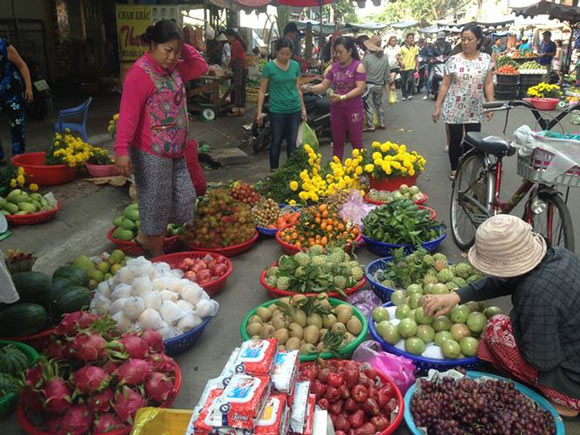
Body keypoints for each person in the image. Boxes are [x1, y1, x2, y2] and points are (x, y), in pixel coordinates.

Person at [422, 214, 580, 418]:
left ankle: (566, 400)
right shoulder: (559, 255)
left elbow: (542, 360)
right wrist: (457, 295)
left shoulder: (535, 294)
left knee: (496, 328)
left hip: (572, 378)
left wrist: (518, 324)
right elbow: (506, 281)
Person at [114, 20, 208, 258]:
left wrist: (182, 44)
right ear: (152, 45)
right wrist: (121, 151)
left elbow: (200, 67)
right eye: (167, 50)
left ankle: (154, 241)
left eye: (176, 52)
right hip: (150, 152)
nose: (172, 57)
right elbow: (127, 116)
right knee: (156, 207)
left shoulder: (174, 68)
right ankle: (157, 259)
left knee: (186, 197)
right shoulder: (139, 75)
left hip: (176, 150)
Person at [432, 24, 494, 180]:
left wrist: (491, 104)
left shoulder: (486, 60)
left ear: (478, 40)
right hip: (454, 107)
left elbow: (488, 83)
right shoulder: (453, 60)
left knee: (472, 140)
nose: (466, 43)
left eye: (470, 39)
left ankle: (464, 160)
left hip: (475, 107)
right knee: (455, 139)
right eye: (463, 39)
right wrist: (437, 107)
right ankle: (454, 168)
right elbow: (445, 85)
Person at [301, 36, 366, 160]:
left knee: (356, 141)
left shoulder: (358, 66)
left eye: (341, 52)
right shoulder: (334, 67)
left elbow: (360, 89)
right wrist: (309, 88)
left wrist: (342, 97)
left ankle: (361, 171)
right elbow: (324, 86)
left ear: (350, 51)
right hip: (336, 109)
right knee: (337, 141)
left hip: (353, 109)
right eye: (336, 52)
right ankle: (337, 172)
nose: (337, 55)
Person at [256, 38, 306, 170]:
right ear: (276, 51)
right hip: (277, 110)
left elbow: (298, 88)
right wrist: (259, 112)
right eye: (282, 53)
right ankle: (274, 171)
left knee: (292, 142)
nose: (284, 57)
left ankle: (290, 173)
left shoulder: (295, 66)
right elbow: (262, 91)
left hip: (294, 108)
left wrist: (303, 109)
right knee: (276, 141)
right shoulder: (269, 68)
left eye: (288, 54)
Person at [0, 38, 33, 164]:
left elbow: (22, 65)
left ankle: (18, 158)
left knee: (17, 125)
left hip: (11, 92)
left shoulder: (5, 47)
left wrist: (28, 87)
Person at [363, 35, 390, 131]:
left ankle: (371, 124)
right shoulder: (385, 58)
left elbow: (362, 72)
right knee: (379, 104)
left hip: (368, 85)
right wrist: (388, 92)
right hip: (379, 86)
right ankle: (381, 122)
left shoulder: (367, 58)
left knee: (369, 105)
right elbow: (387, 75)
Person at [224, 29, 248, 117]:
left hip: (239, 67)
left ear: (232, 37)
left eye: (228, 37)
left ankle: (237, 108)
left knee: (238, 88)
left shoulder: (235, 44)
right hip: (243, 67)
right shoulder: (239, 43)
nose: (228, 39)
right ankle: (241, 107)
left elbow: (233, 58)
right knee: (241, 88)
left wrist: (228, 66)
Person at [398, 33, 419, 101]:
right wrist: (401, 63)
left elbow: (416, 58)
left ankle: (409, 93)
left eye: (412, 38)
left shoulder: (415, 48)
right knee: (403, 82)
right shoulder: (402, 48)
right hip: (403, 68)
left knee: (410, 80)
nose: (411, 39)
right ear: (407, 39)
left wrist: (417, 66)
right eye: (410, 38)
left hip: (411, 67)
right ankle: (404, 95)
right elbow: (397, 56)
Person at [385, 36, 401, 101]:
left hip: (395, 67)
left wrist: (399, 61)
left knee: (391, 80)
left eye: (395, 40)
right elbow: (384, 57)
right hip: (388, 67)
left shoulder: (398, 48)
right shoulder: (386, 49)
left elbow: (401, 56)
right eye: (392, 40)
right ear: (389, 41)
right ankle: (391, 97)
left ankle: (391, 96)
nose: (393, 42)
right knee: (391, 83)